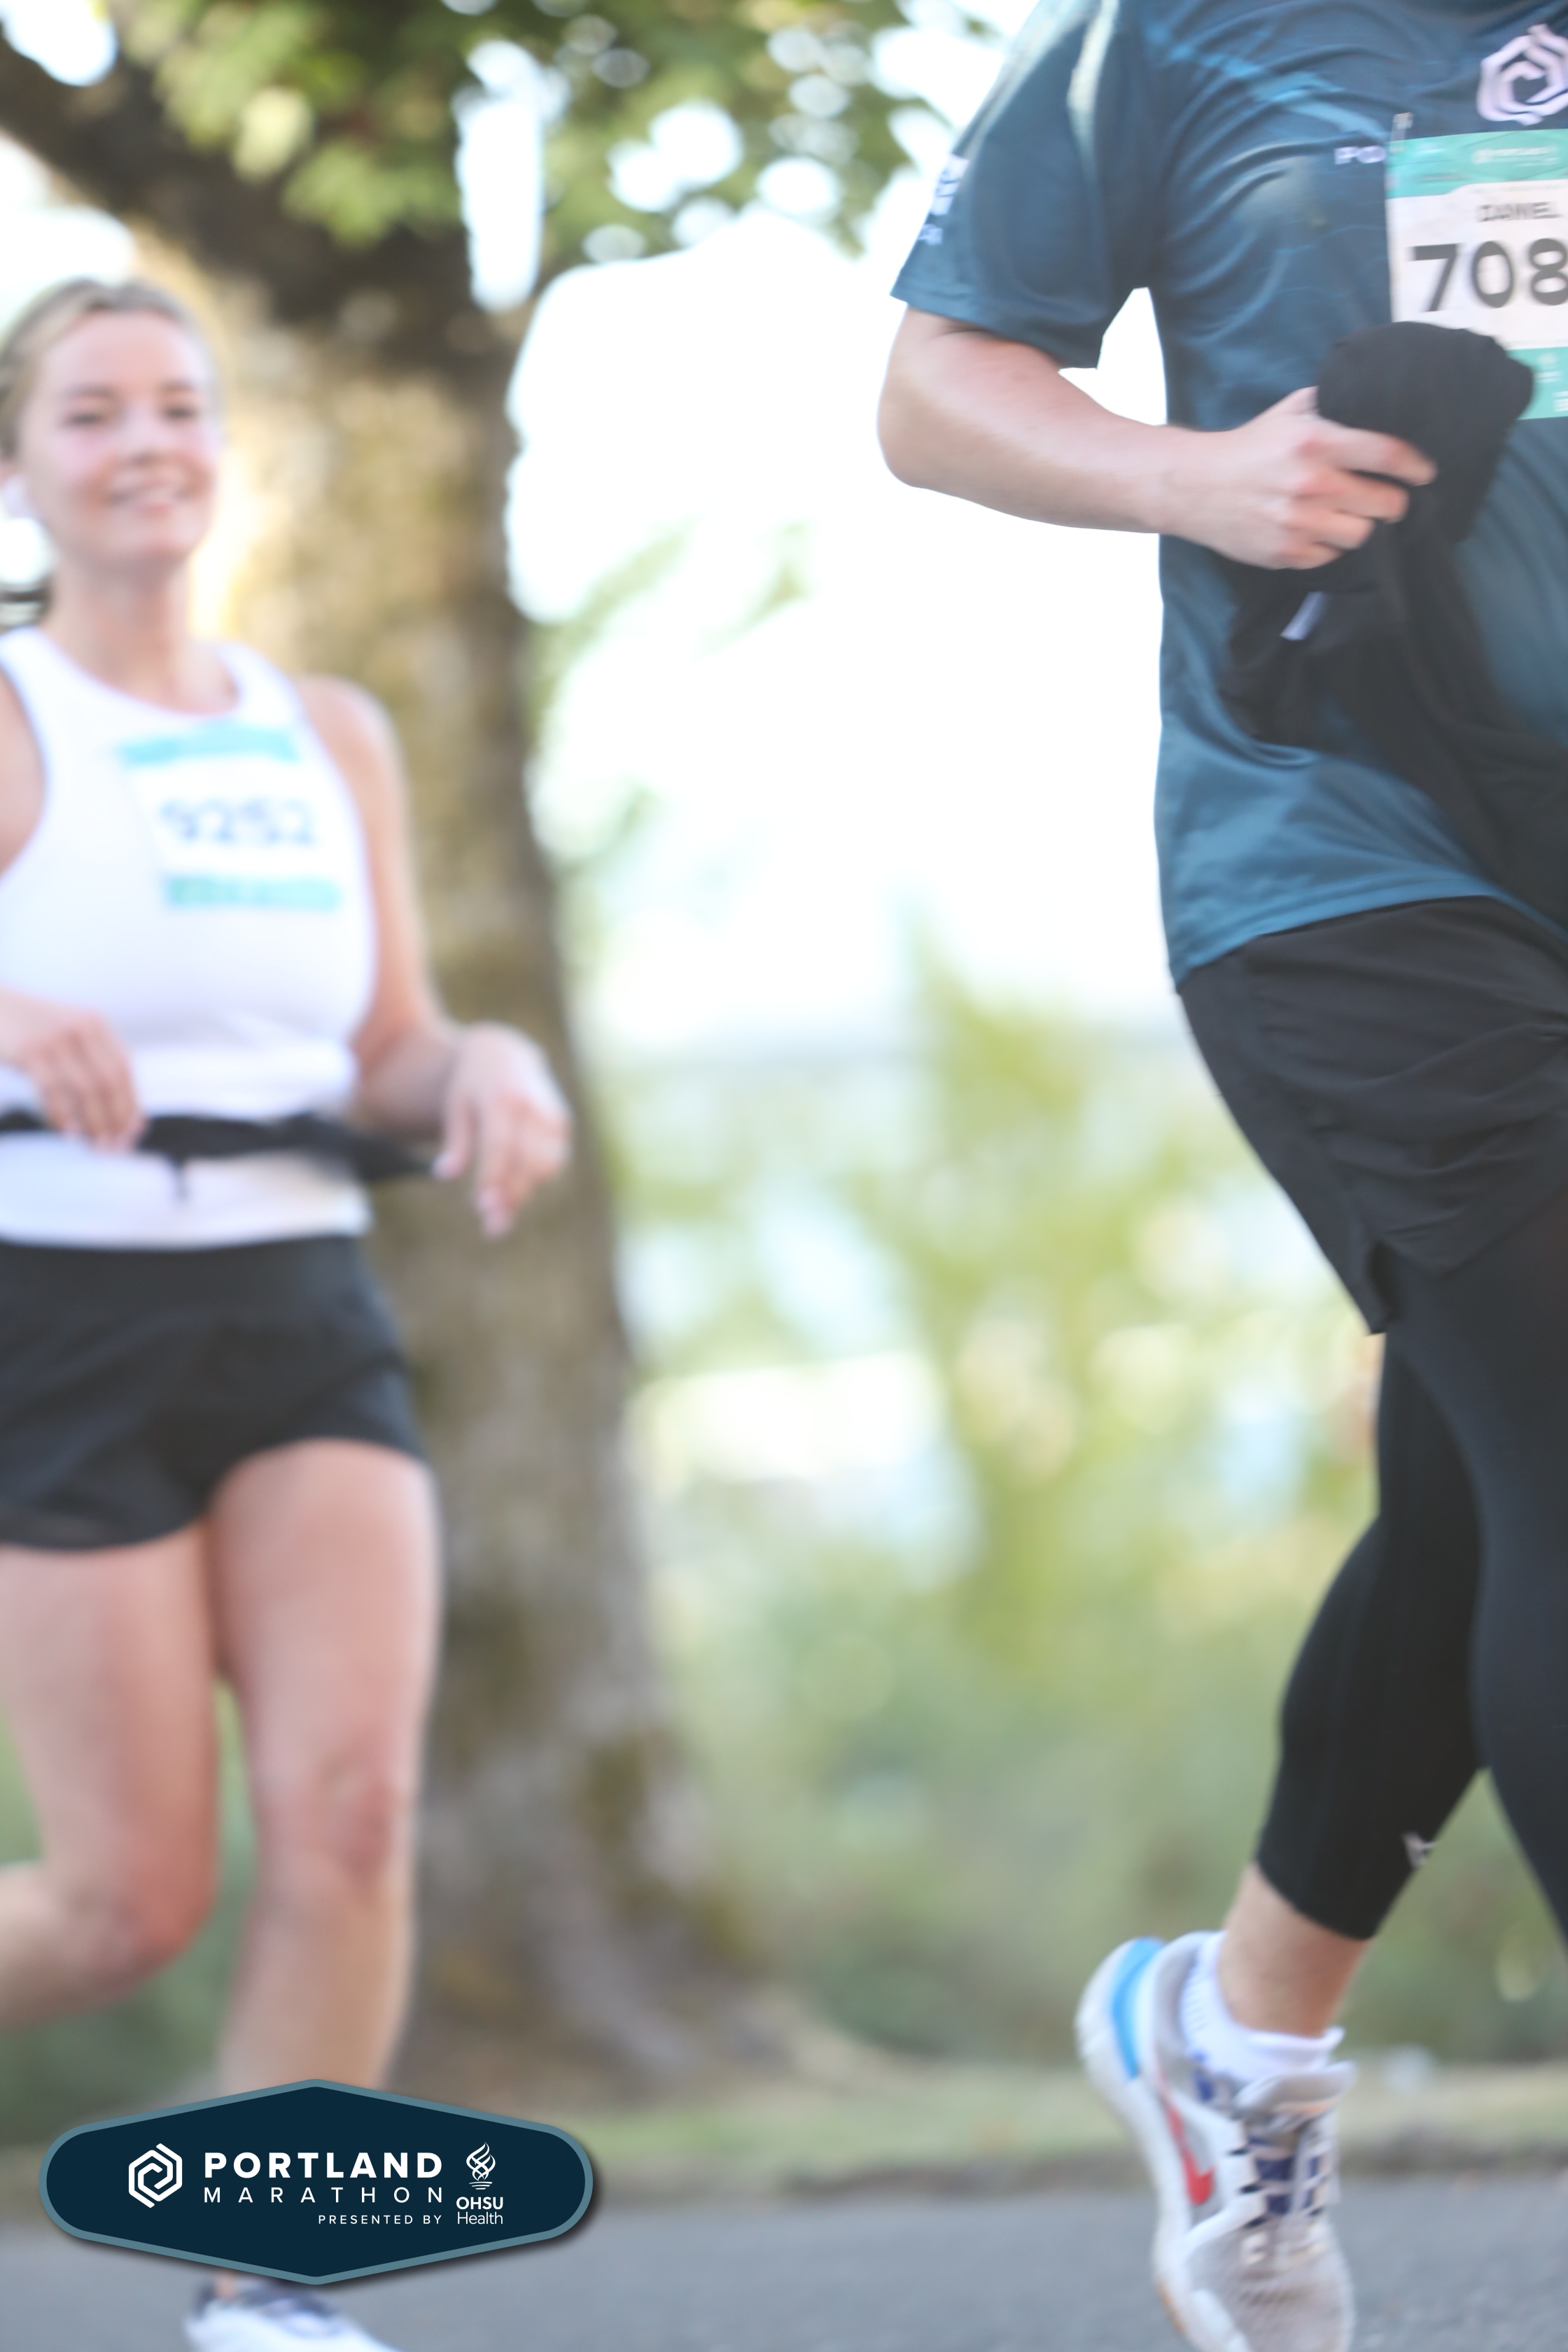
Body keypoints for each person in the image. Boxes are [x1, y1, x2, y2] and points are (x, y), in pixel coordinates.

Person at [879, 8, 1568, 2352]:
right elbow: (935, 385)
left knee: (1488, 1487)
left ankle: (1235, 2035)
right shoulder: (1168, 34)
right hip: (1341, 844)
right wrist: (1201, 477)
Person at [0, 276, 570, 2352]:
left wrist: (486, 1061)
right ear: (20, 466)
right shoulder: (14, 715)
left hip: (301, 1299)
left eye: (178, 403)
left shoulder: (326, 732)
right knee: (121, 1905)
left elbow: (386, 1044)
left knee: (350, 1812)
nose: (144, 442)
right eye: (90, 412)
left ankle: (273, 2288)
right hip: (57, 1317)